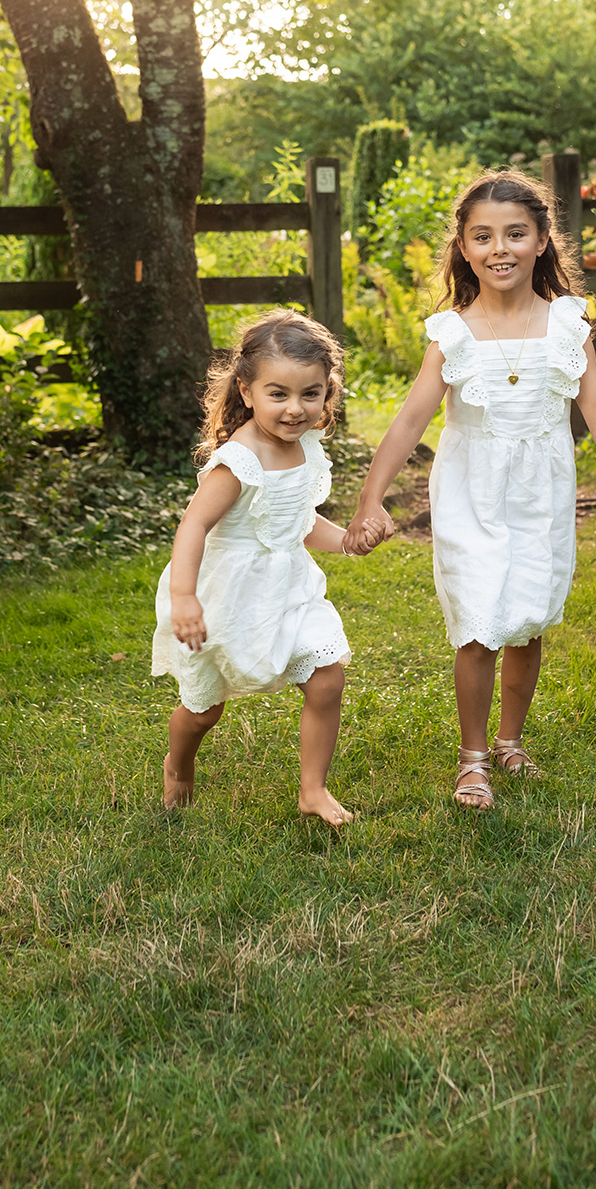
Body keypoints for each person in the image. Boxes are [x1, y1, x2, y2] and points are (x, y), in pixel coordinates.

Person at [343, 169, 596, 809]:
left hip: (540, 493)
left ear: (544, 239)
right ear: (463, 248)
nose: (501, 248)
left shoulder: (568, 327)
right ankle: (472, 760)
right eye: (483, 236)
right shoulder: (454, 333)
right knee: (477, 619)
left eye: (516, 233)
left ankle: (510, 742)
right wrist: (370, 496)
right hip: (471, 489)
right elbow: (412, 418)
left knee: (525, 617)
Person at [152, 310, 374, 826]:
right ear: (247, 392)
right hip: (226, 597)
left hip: (289, 589)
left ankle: (312, 789)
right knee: (205, 709)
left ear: (327, 393)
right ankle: (178, 764)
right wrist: (185, 596)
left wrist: (346, 542)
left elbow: (294, 520)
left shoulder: (305, 447)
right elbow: (193, 528)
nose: (295, 409)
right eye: (279, 394)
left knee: (327, 678)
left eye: (310, 394)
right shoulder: (238, 461)